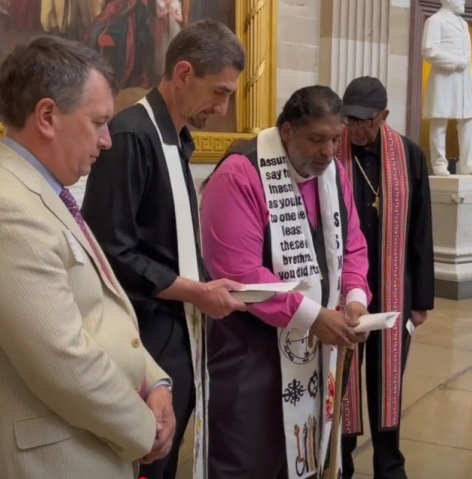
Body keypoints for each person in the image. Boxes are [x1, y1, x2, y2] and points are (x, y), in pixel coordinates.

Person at [0, 36, 175, 479]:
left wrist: (152, 381)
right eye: (99, 122)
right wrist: (145, 432)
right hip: (44, 460)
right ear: (47, 116)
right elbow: (64, 361)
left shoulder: (43, 191)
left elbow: (102, 308)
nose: (107, 141)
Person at [81, 20, 247, 479]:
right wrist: (195, 291)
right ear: (184, 73)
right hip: (143, 332)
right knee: (144, 461)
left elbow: (168, 242)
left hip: (177, 326)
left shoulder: (177, 138)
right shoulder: (133, 136)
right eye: (219, 92)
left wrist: (204, 284)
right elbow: (111, 252)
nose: (223, 106)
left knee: (166, 458)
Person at [199, 85, 372, 478]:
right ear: (288, 131)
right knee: (251, 459)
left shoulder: (334, 174)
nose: (328, 152)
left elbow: (353, 245)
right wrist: (314, 317)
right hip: (250, 349)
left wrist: (355, 298)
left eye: (334, 139)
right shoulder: (240, 173)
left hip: (318, 346)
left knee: (308, 455)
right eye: (317, 139)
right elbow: (239, 272)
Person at [336, 76, 434, 479]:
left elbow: (422, 227)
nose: (356, 129)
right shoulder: (333, 151)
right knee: (341, 377)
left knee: (387, 379)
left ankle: (388, 465)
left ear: (384, 116)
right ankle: (338, 460)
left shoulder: (408, 154)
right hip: (344, 287)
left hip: (395, 287)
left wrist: (421, 299)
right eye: (350, 120)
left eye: (365, 120)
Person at [421, 0, 472, 177]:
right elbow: (428, 50)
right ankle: (439, 164)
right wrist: (455, 62)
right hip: (444, 79)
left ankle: (468, 162)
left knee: (468, 119)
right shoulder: (435, 20)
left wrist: (471, 80)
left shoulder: (463, 23)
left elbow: (467, 57)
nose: (463, 2)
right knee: (440, 121)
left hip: (463, 80)